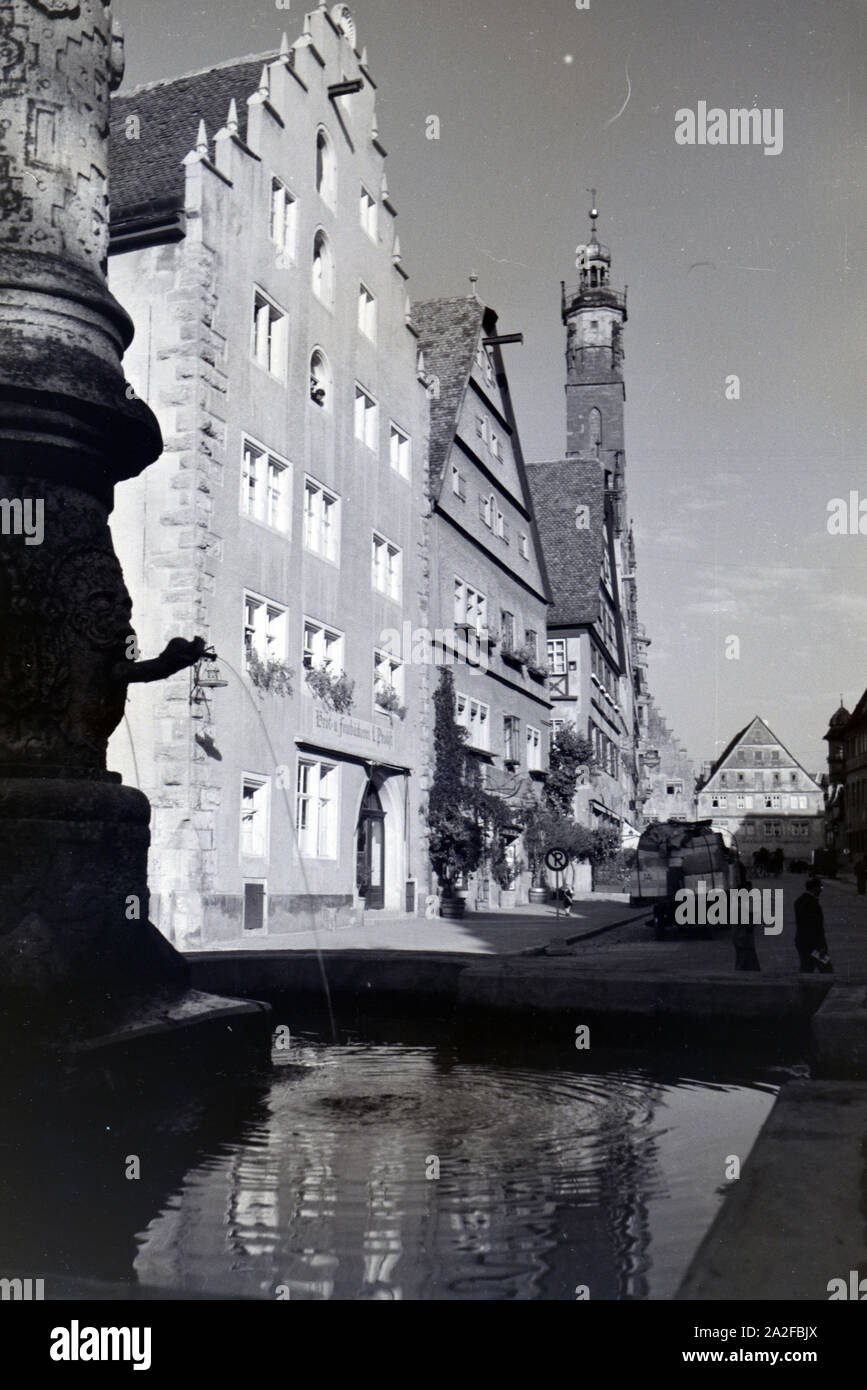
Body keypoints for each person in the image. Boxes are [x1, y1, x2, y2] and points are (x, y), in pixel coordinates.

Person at [794, 877, 832, 973]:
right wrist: (822, 946)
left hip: (802, 942)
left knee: (807, 968)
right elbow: (816, 927)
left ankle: (805, 987)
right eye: (821, 887)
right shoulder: (812, 904)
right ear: (815, 888)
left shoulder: (799, 901)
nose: (821, 890)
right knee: (826, 969)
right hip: (814, 945)